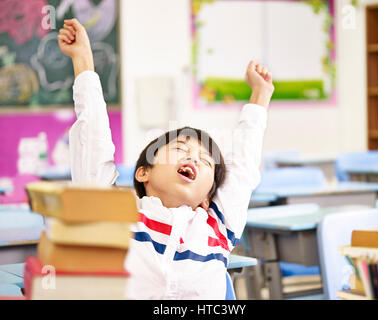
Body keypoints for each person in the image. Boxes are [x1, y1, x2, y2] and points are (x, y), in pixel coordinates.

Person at [58, 18, 274, 299]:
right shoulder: (119, 218)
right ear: (143, 173)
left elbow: (243, 167)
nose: (193, 159)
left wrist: (260, 93)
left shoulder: (218, 226)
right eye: (181, 149)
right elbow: (93, 142)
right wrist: (84, 62)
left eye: (205, 161)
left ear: (208, 198)